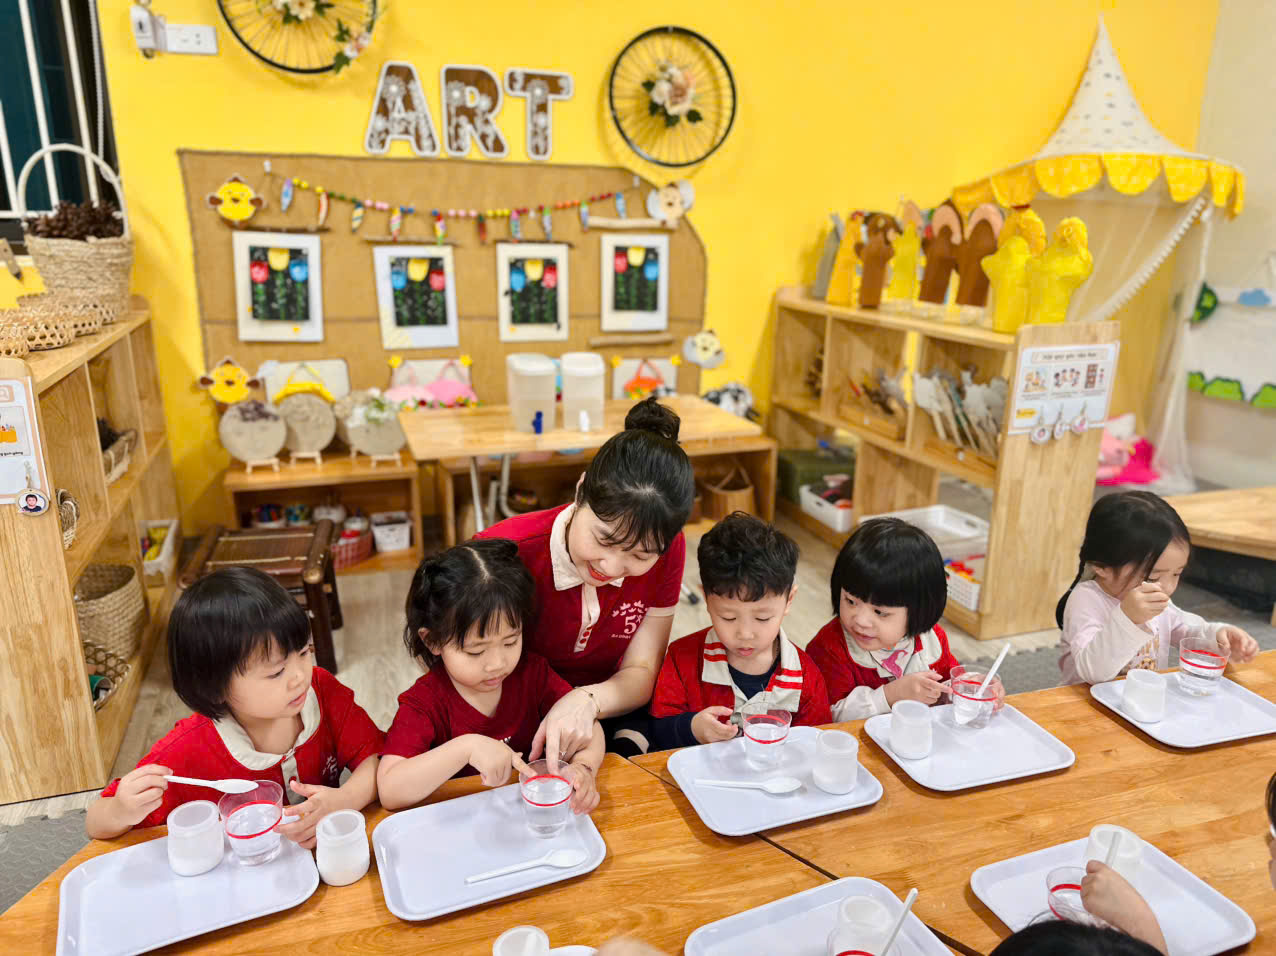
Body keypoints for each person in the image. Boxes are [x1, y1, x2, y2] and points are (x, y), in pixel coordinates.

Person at [86, 568, 382, 846]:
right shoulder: (188, 750)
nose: (299, 676)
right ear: (215, 688)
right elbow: (96, 822)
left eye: (304, 651)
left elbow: (376, 758)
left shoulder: (321, 689)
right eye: (276, 672)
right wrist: (122, 809)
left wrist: (345, 799)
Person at [476, 396, 694, 764]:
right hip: (509, 713)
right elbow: (469, 671)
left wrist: (587, 701)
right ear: (580, 492)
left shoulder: (669, 552)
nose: (610, 567)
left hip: (608, 704)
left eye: (639, 556)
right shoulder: (503, 552)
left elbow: (641, 670)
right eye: (604, 539)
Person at [377, 540, 602, 812]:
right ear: (432, 641)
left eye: (510, 642)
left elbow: (588, 726)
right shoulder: (424, 703)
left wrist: (583, 767)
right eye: (476, 651)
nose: (496, 664)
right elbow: (389, 789)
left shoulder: (533, 674)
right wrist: (466, 748)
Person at [648, 512, 830, 749]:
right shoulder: (682, 658)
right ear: (706, 597)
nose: (745, 633)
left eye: (762, 618)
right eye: (729, 617)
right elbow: (657, 732)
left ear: (789, 600)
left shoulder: (806, 678)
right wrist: (692, 728)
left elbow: (816, 743)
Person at [807, 517, 1003, 720]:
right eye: (850, 601)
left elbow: (946, 685)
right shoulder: (829, 648)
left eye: (880, 612)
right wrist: (890, 695)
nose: (860, 620)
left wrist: (971, 688)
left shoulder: (932, 641)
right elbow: (825, 718)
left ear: (919, 610)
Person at [1057, 491, 1258, 684]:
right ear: (1102, 567)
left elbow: (1186, 631)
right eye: (1152, 577)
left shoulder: (1154, 595)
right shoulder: (1086, 600)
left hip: (1138, 701)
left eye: (1176, 574)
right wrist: (1128, 619)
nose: (1168, 587)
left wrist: (1219, 636)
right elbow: (1093, 672)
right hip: (1085, 707)